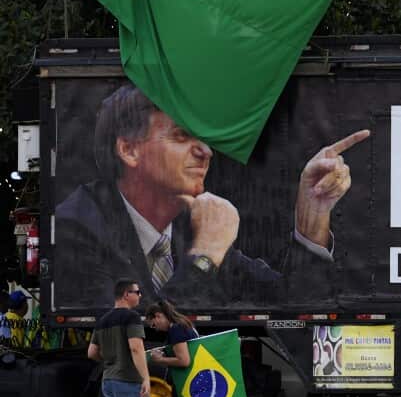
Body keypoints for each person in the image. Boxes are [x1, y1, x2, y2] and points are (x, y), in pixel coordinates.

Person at [54, 83, 369, 308]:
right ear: (129, 150)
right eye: (181, 135)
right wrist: (205, 254)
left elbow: (297, 303)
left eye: (203, 137)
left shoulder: (187, 223)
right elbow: (144, 331)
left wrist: (312, 214)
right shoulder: (76, 225)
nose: (205, 151)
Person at [88, 279, 152, 397]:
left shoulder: (103, 320)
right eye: (137, 292)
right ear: (126, 294)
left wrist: (110, 360)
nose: (140, 295)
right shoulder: (131, 317)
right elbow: (136, 348)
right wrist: (146, 378)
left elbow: (91, 352)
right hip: (129, 380)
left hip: (109, 380)